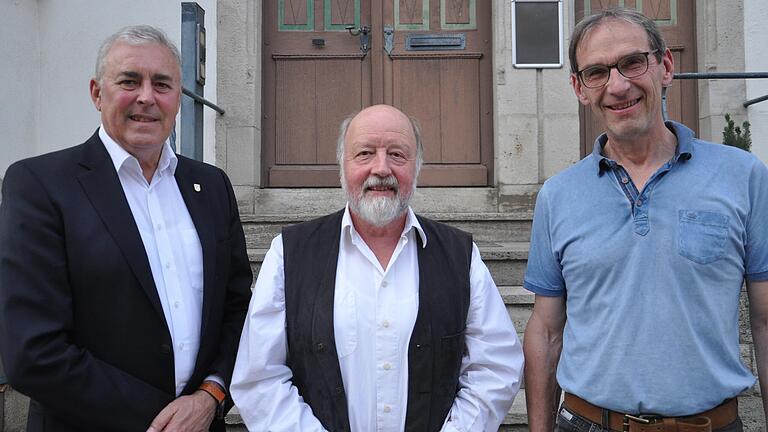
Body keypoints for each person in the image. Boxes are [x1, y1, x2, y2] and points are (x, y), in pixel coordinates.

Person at [523, 8, 768, 432]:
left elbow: (766, 320)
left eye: (632, 63)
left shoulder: (743, 176)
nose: (618, 86)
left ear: (665, 66)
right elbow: (546, 331)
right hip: (587, 424)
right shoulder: (558, 196)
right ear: (580, 89)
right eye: (596, 72)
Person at [0, 25, 253, 432]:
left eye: (163, 84)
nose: (147, 97)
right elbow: (33, 353)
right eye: (129, 81)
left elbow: (238, 309)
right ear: (97, 93)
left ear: (178, 98)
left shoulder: (211, 187)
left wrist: (211, 395)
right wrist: (167, 420)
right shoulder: (40, 185)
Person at [231, 104, 523, 431]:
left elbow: (495, 368)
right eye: (365, 154)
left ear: (417, 167)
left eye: (397, 155)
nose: (381, 168)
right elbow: (259, 377)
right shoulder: (290, 253)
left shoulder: (460, 256)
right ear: (342, 165)